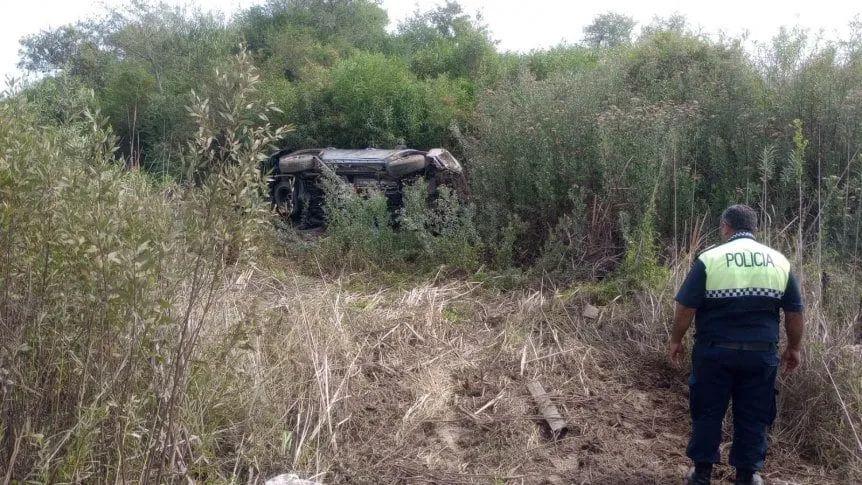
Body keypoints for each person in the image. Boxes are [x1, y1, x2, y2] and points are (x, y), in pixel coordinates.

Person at [668, 204, 805, 485]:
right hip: (760, 355)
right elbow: (794, 312)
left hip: (715, 352)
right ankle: (748, 474)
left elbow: (685, 306)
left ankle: (702, 472)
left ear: (725, 226)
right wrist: (794, 347)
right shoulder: (779, 261)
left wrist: (676, 339)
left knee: (708, 410)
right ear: (754, 228)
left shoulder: (710, 258)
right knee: (754, 415)